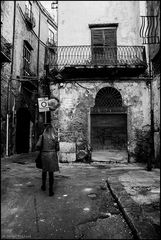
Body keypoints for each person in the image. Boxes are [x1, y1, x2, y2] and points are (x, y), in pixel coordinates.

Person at [36, 124, 60, 196]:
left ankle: (43, 186)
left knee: (44, 171)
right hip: (52, 155)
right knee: (51, 173)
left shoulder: (42, 136)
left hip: (44, 155)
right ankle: (51, 190)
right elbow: (58, 148)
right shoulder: (55, 137)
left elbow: (38, 145)